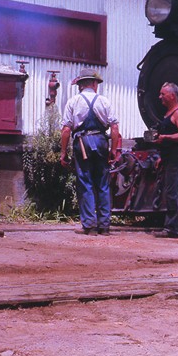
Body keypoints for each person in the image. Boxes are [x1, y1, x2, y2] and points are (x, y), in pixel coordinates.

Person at [60, 69, 121, 236]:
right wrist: (113, 150)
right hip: (101, 142)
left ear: (80, 85)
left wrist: (63, 152)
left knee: (85, 183)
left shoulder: (73, 101)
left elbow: (66, 130)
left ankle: (90, 226)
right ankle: (105, 226)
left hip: (82, 143)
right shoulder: (104, 101)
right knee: (103, 183)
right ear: (94, 84)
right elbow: (114, 127)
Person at [153, 82, 178, 238]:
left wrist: (166, 137)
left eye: (163, 94)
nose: (159, 97)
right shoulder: (168, 114)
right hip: (169, 157)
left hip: (176, 157)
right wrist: (162, 156)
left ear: (172, 96)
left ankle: (171, 229)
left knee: (172, 193)